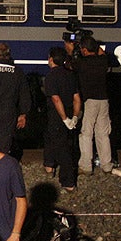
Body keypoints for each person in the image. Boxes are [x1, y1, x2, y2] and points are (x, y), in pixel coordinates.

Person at [74, 36, 113, 174]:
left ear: (84, 50)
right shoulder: (103, 61)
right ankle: (107, 165)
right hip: (104, 100)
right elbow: (102, 53)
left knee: (86, 133)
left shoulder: (82, 63)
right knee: (103, 133)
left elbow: (70, 64)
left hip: (89, 101)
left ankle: (86, 165)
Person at [44, 47, 81, 190]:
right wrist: (75, 117)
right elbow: (77, 98)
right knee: (64, 143)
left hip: (57, 116)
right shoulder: (71, 75)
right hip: (71, 114)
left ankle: (68, 182)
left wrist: (64, 118)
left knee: (61, 148)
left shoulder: (51, 76)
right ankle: (48, 165)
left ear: (51, 59)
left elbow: (56, 99)